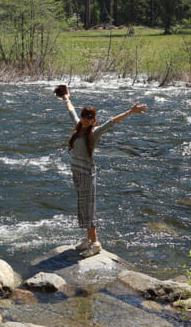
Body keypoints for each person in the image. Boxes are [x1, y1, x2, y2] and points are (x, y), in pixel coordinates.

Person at [55, 83, 147, 257]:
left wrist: (130, 111)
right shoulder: (78, 127)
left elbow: (112, 122)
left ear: (93, 119)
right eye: (84, 117)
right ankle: (89, 240)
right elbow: (71, 111)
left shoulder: (95, 132)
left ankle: (96, 243)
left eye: (89, 118)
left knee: (88, 208)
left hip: (87, 175)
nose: (86, 120)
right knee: (82, 206)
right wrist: (67, 98)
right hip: (77, 172)